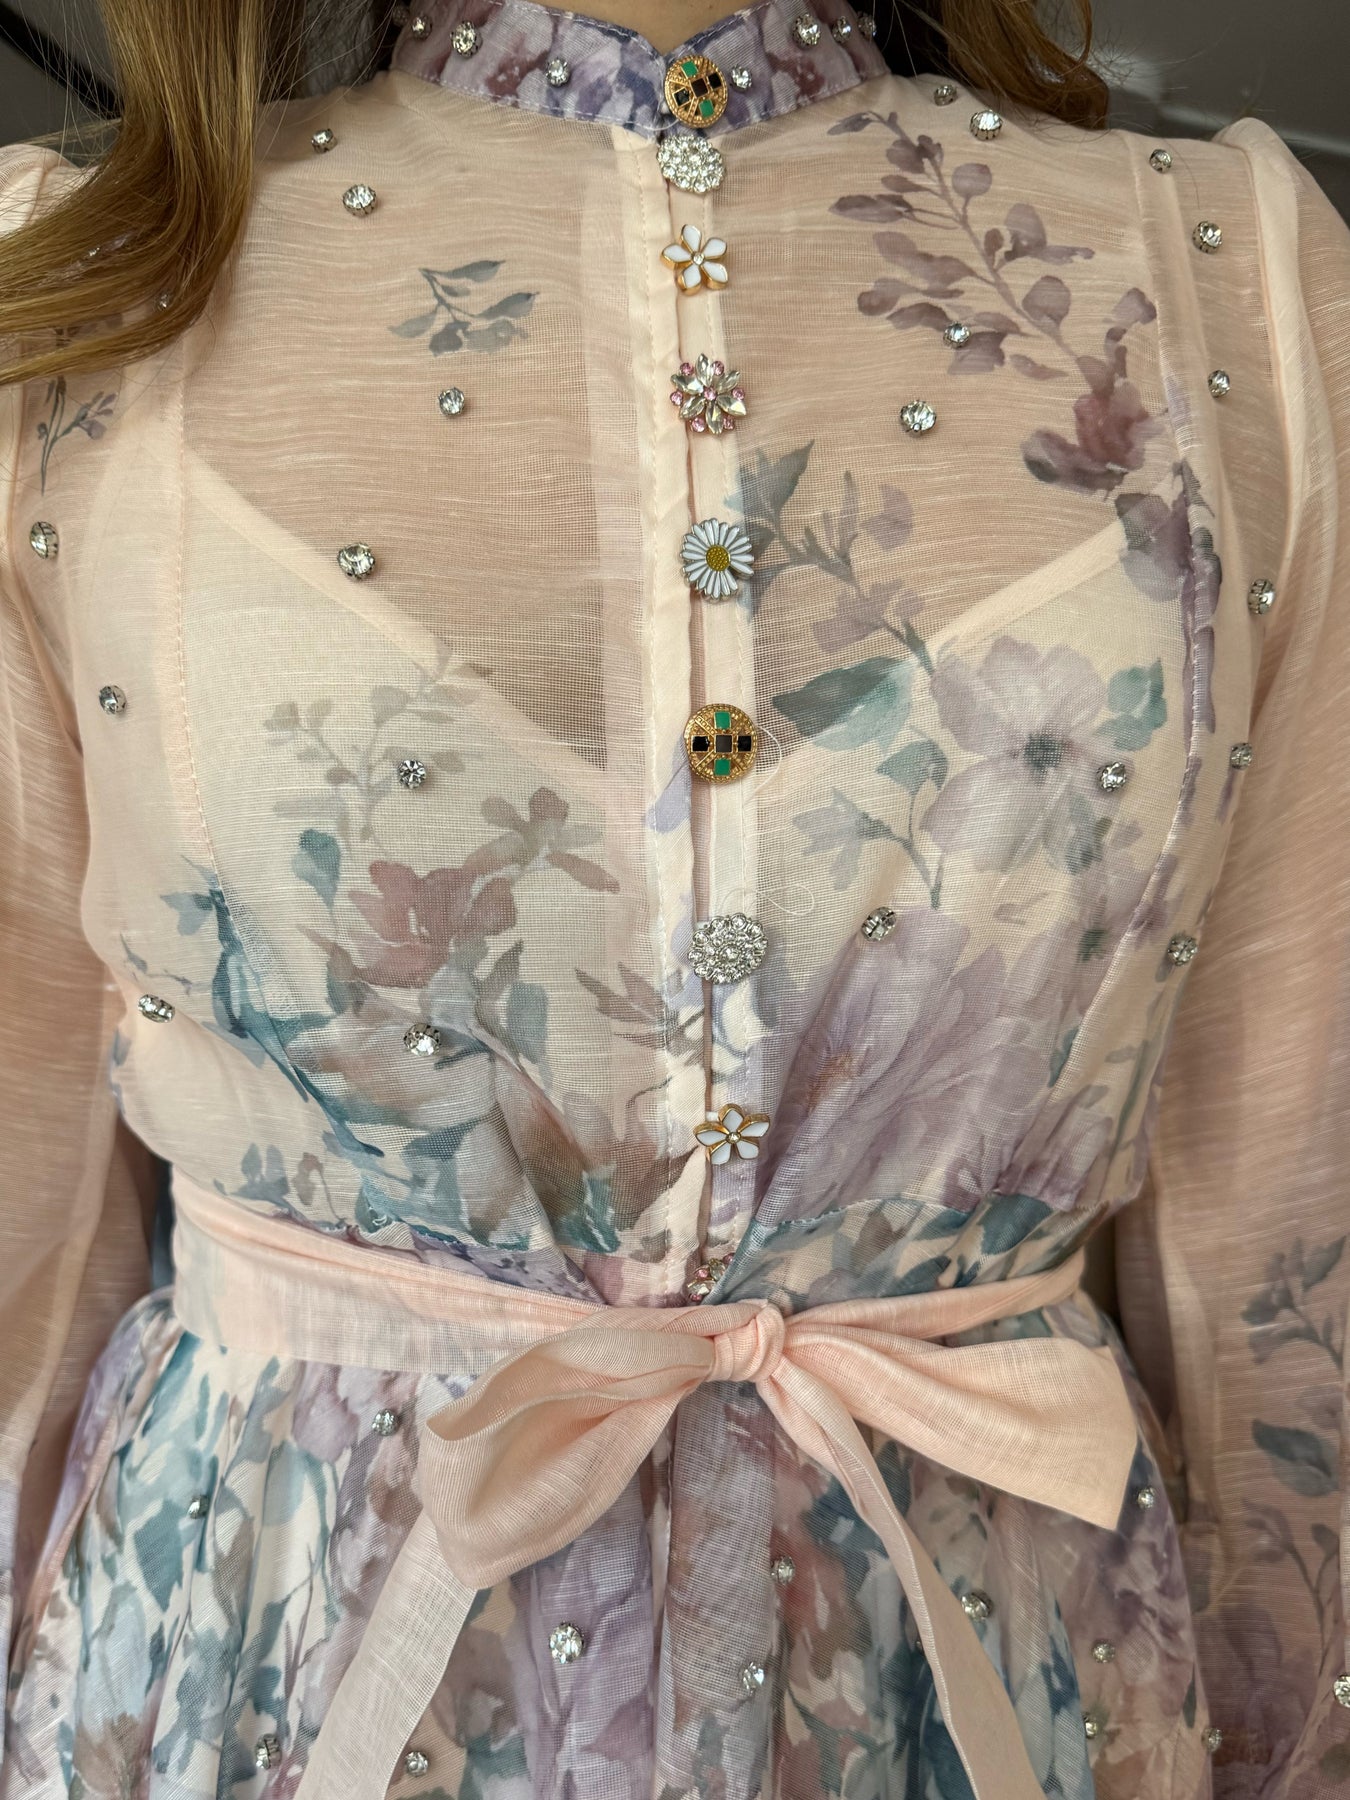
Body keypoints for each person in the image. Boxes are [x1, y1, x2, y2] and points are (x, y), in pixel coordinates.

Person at [0, 0, 1347, 1792]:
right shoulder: (73, 295)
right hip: (271, 1656)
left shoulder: (1229, 280)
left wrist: (1293, 1734)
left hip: (985, 1656)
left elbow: (1285, 1196)